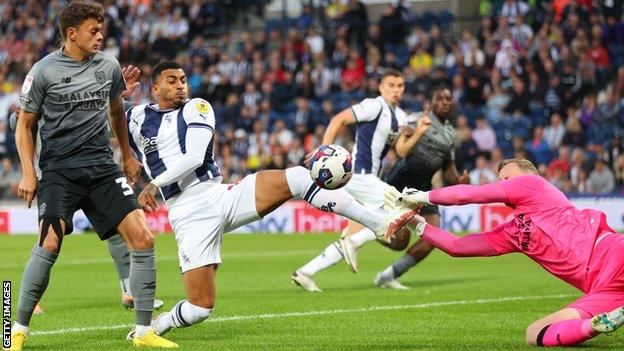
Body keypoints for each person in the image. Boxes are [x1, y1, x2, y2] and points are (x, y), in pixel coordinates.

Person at [124, 61, 416, 337]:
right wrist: (116, 96)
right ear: (155, 88)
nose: (180, 86)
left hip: (218, 195)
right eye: (172, 81)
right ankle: (158, 325)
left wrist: (153, 184)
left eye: (184, 80)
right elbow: (105, 117)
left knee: (300, 178)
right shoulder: (136, 117)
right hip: (186, 212)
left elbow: (195, 156)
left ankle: (377, 221)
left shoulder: (197, 107)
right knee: (200, 308)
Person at [6, 2, 176, 349]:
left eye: (101, 31)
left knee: (142, 238)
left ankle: (144, 333)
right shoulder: (43, 71)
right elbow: (23, 125)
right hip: (59, 171)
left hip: (101, 167)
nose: (100, 36)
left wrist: (127, 156)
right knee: (50, 242)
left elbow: (116, 110)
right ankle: (15, 331)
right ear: (72, 34)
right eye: (93, 31)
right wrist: (28, 172)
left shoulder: (108, 65)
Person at [384, 158, 624, 347]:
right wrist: (414, 222)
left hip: (612, 253)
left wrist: (419, 197)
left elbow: (468, 195)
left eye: (507, 177)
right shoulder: (513, 234)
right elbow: (458, 247)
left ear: (528, 174)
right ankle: (594, 325)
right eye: (500, 179)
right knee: (534, 333)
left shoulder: (535, 185)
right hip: (605, 290)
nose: (502, 182)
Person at [7, 67, 165, 314]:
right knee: (50, 238)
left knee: (116, 231)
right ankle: (29, 298)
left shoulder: (65, 102)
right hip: (58, 177)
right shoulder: (36, 109)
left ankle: (129, 291)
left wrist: (115, 97)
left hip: (94, 173)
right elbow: (19, 122)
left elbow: (93, 124)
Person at [291, 69, 408, 291]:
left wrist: (417, 130)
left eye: (400, 86)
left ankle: (305, 273)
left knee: (354, 232)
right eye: (391, 85)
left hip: (370, 179)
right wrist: (324, 149)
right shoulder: (374, 106)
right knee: (402, 204)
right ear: (381, 88)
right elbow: (339, 118)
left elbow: (402, 149)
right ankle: (353, 242)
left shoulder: (399, 116)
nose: (396, 90)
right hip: (359, 175)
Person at [373, 84, 469, 289]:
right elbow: (400, 147)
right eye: (440, 99)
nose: (445, 102)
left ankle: (390, 275)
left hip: (424, 189)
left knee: (433, 238)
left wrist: (459, 180)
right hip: (400, 183)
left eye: (448, 99)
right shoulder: (417, 119)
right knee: (400, 242)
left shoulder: (451, 134)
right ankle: (369, 224)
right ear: (430, 103)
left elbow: (448, 170)